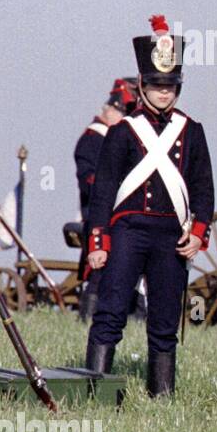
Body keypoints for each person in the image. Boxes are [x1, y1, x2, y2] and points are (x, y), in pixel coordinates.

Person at [84, 16, 215, 397]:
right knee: (110, 312)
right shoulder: (123, 132)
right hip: (127, 232)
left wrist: (199, 234)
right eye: (157, 85)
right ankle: (96, 391)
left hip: (170, 237)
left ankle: (162, 395)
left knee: (164, 321)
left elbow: (203, 190)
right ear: (141, 84)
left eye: (170, 85)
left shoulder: (192, 131)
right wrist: (98, 243)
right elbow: (104, 191)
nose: (163, 93)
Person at [74, 78, 138, 322]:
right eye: (123, 111)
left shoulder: (121, 138)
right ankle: (87, 317)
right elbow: (89, 181)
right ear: (111, 109)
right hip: (98, 212)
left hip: (122, 212)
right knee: (99, 269)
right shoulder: (92, 139)